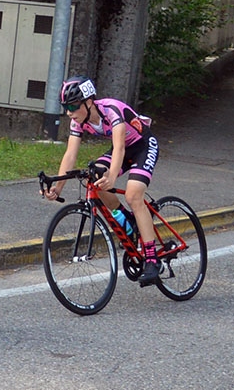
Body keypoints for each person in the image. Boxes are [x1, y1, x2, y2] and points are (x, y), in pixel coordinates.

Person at [42, 76, 162, 284]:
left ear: (88, 102)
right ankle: (127, 220)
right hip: (122, 149)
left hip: (143, 145)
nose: (69, 112)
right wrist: (58, 187)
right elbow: (70, 154)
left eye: (73, 106)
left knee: (134, 195)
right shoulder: (77, 121)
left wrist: (112, 177)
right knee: (94, 175)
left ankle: (152, 259)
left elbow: (119, 148)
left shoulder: (111, 110)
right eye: (65, 107)